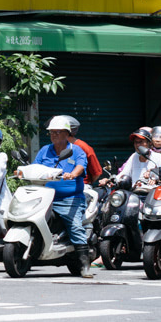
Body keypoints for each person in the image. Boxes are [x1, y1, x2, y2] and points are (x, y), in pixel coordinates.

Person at [35, 114, 95, 275]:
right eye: (51, 132)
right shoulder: (44, 150)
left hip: (70, 198)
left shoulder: (77, 151)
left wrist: (73, 174)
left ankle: (84, 265)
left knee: (75, 227)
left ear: (67, 133)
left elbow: (81, 166)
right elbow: (36, 167)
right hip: (46, 197)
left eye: (58, 132)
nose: (53, 135)